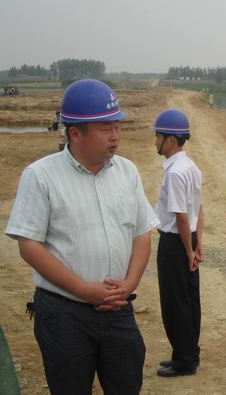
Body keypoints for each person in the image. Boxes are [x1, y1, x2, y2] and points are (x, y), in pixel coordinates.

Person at [5, 79, 159, 394]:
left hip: (118, 309)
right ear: (75, 134)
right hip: (65, 314)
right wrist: (83, 290)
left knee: (126, 385)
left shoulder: (127, 171)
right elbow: (29, 246)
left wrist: (129, 284)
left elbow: (142, 232)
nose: (115, 135)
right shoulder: (41, 176)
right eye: (105, 128)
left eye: (117, 125)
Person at [153, 109, 204, 377]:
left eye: (158, 136)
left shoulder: (175, 172)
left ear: (170, 140)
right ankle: (189, 353)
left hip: (176, 243)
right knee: (190, 299)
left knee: (175, 302)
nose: (155, 142)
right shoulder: (191, 166)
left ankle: (183, 360)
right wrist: (198, 244)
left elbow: (181, 216)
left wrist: (187, 251)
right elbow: (199, 209)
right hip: (189, 238)